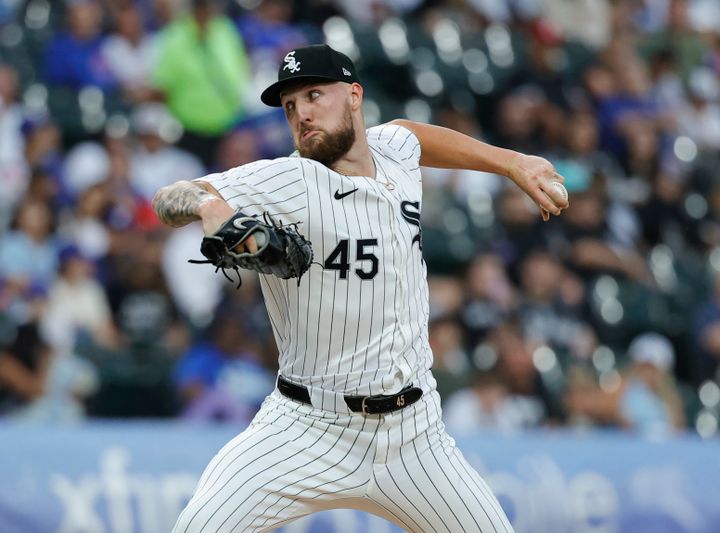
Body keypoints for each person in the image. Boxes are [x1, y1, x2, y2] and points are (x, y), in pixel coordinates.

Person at [153, 44, 568, 533]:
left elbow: (414, 136)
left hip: (415, 435)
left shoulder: (393, 150)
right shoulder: (289, 179)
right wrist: (205, 205)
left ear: (354, 95)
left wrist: (510, 162)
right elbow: (167, 198)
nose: (302, 114)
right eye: (290, 106)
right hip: (306, 429)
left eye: (314, 95)